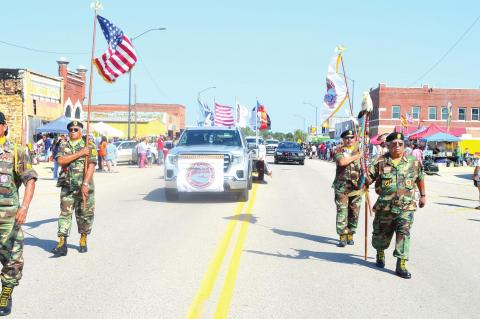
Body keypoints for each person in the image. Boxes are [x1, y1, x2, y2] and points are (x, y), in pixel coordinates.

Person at [367, 132, 426, 279]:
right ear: (388, 145)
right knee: (381, 235)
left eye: (400, 144)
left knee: (404, 234)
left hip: (406, 206)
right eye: (394, 144)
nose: (397, 147)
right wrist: (364, 177)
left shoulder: (413, 161)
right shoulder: (380, 161)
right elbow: (368, 179)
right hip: (385, 207)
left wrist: (423, 195)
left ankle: (401, 264)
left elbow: (420, 178)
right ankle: (380, 253)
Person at [0, 112, 37, 316]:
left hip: (8, 218)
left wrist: (24, 207)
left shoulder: (16, 151)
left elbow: (29, 179)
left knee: (12, 261)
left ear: (4, 126)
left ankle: (5, 294)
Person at [52, 120, 97, 256]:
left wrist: (85, 183)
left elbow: (92, 165)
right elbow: (60, 161)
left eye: (75, 129)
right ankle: (62, 242)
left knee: (84, 214)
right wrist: (80, 153)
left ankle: (83, 238)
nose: (73, 132)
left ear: (81, 131)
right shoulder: (63, 144)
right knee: (65, 214)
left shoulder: (89, 145)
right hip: (67, 186)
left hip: (84, 186)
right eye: (71, 129)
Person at [332, 130, 363, 247]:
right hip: (342, 187)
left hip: (356, 187)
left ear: (354, 139)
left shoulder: (359, 150)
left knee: (354, 212)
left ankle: (350, 234)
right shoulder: (338, 150)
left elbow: (364, 168)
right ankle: (342, 236)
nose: (349, 140)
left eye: (351, 137)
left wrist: (366, 180)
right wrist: (357, 156)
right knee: (342, 212)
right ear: (343, 140)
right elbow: (342, 162)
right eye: (346, 138)